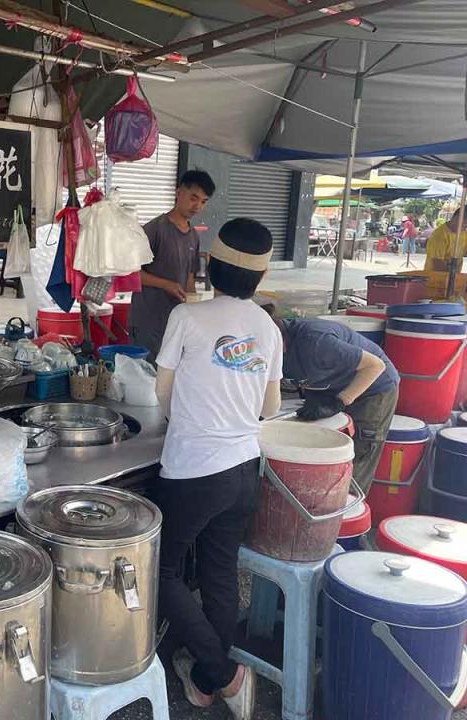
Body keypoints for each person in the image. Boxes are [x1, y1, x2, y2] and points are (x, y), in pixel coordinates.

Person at [152, 217, 281, 720]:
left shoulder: (188, 317)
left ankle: (221, 672)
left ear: (210, 263)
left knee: (161, 571)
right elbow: (268, 408)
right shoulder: (268, 328)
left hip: (193, 470)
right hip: (245, 469)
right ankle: (205, 683)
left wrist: (189, 410)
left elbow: (162, 392)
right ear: (260, 276)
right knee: (219, 571)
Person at [269, 314, 399, 493]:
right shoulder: (268, 348)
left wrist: (341, 400)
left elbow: (375, 366)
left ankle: (346, 512)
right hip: (329, 386)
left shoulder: (316, 341)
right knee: (319, 449)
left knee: (353, 461)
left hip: (372, 388)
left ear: (278, 339)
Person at [129, 169, 215, 358]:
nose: (197, 206)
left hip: (176, 321)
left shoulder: (193, 236)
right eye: (194, 198)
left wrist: (194, 307)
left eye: (203, 202)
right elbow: (131, 273)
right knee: (147, 376)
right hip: (148, 321)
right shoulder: (154, 229)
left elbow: (190, 276)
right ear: (179, 192)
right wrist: (166, 284)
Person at [424, 207, 467, 271]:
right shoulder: (440, 235)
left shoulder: (463, 233)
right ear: (456, 218)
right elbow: (437, 263)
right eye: (465, 225)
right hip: (436, 277)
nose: (464, 228)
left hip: (454, 276)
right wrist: (451, 278)